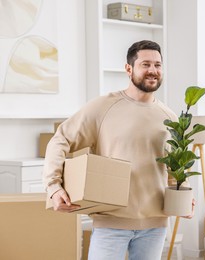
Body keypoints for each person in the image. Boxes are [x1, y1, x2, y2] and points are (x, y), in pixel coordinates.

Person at [43, 40, 194, 260]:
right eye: (145, 64)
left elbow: (176, 170)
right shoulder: (103, 107)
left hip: (155, 226)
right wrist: (54, 187)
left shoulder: (170, 118)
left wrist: (185, 194)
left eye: (158, 65)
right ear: (129, 68)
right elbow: (60, 139)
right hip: (110, 224)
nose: (153, 70)